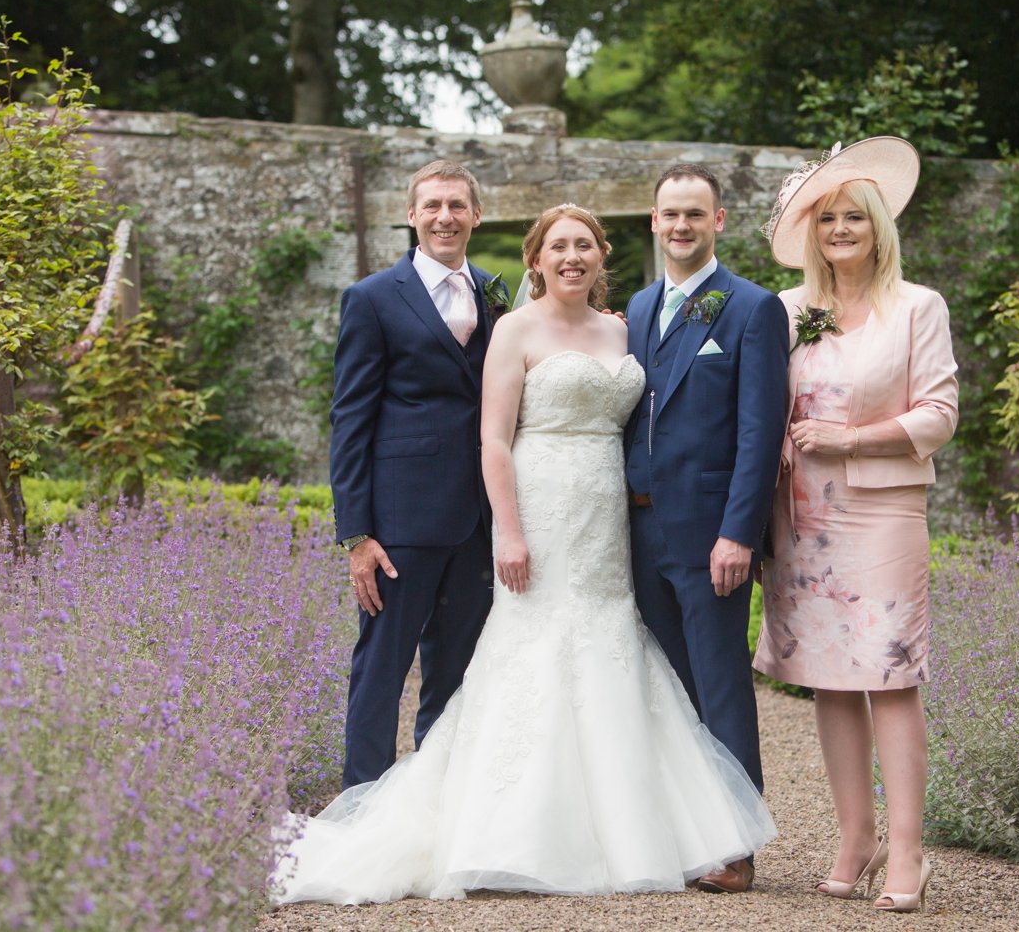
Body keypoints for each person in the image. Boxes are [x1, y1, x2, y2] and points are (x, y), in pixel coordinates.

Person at [275, 204, 776, 905]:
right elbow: (495, 440)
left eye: (585, 246)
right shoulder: (512, 328)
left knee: (610, 643)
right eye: (558, 246)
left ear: (602, 257)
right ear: (535, 259)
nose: (572, 256)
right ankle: (504, 831)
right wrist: (508, 531)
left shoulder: (624, 327)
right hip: (537, 509)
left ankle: (630, 825)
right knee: (530, 648)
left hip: (607, 517)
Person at [753, 137, 958, 913]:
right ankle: (855, 836)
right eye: (827, 217)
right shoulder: (788, 311)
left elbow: (939, 414)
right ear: (814, 233)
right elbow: (768, 403)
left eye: (854, 216)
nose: (840, 228)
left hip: (881, 511)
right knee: (830, 681)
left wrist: (852, 439)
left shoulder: (919, 307)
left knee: (890, 676)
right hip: (803, 517)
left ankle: (908, 850)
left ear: (878, 226)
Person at [623, 165, 788, 893]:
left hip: (709, 533)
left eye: (696, 213)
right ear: (653, 223)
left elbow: (759, 433)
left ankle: (735, 847)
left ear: (719, 220)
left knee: (719, 684)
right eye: (670, 215)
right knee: (666, 687)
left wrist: (739, 533)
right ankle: (678, 834)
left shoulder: (752, 310)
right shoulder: (632, 308)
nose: (681, 226)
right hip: (632, 530)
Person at [327, 160, 501, 789]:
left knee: (457, 666)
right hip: (401, 520)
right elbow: (350, 419)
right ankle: (362, 800)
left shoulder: (495, 292)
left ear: (476, 215)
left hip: (478, 517)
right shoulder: (372, 298)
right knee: (382, 665)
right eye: (432, 206)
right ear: (412, 215)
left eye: (457, 205)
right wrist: (357, 534)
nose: (445, 217)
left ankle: (436, 798)